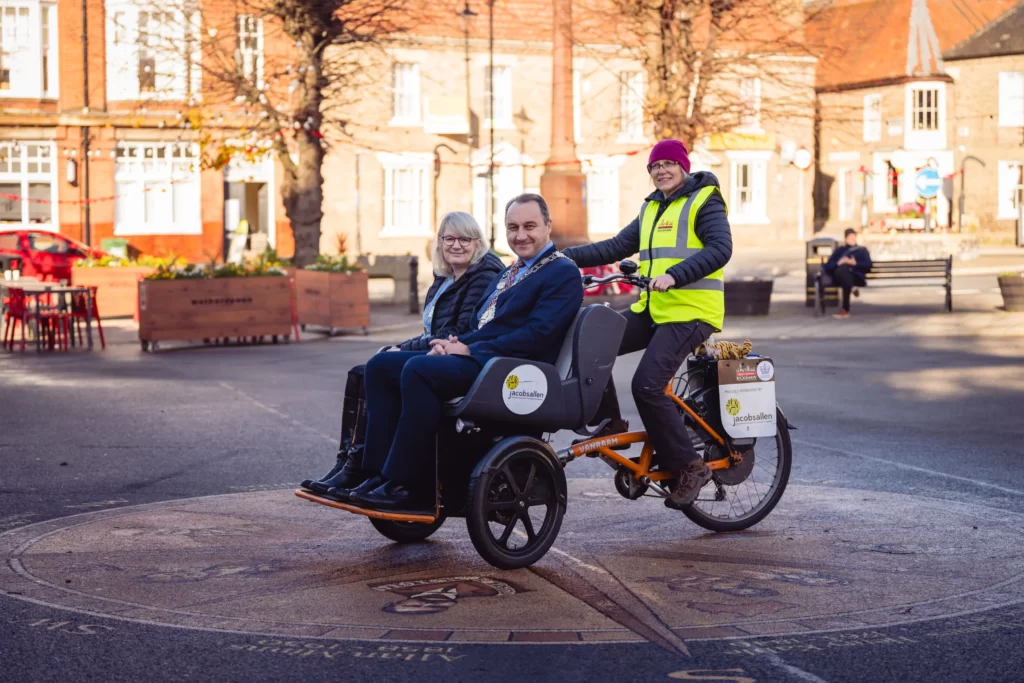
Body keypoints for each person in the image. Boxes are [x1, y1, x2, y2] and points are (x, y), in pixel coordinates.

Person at [323, 194, 584, 514]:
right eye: (513, 227)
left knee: (419, 371)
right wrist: (451, 344)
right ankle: (375, 472)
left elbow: (537, 335)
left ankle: (412, 486)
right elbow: (482, 324)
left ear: (548, 225)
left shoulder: (561, 272)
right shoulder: (512, 271)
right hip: (486, 356)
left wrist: (468, 348)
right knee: (380, 366)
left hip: (514, 368)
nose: (520, 235)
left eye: (530, 226)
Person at [561, 139, 732, 509]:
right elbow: (614, 246)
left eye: (669, 163)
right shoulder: (652, 207)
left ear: (684, 167)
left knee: (647, 385)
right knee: (592, 341)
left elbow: (720, 248)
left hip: (691, 311)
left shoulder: (705, 200)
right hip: (654, 309)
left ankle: (691, 467)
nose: (661, 171)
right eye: (655, 166)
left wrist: (674, 275)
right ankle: (612, 426)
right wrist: (560, 257)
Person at [300, 212, 503, 494]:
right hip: (435, 349)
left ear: (477, 243)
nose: (456, 245)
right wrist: (403, 346)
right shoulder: (446, 276)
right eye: (449, 239)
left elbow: (455, 330)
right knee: (362, 372)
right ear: (440, 243)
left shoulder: (482, 276)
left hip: (453, 355)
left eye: (464, 239)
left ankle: (377, 472)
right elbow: (433, 329)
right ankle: (352, 462)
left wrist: (403, 348)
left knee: (382, 365)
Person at [823, 228, 872, 320]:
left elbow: (868, 265)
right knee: (842, 271)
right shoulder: (839, 251)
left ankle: (845, 310)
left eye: (854, 237)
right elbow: (828, 267)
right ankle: (852, 288)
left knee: (845, 277)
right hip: (839, 279)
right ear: (846, 239)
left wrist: (855, 264)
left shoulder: (862, 250)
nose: (853, 239)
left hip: (856, 278)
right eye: (850, 237)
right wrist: (839, 263)